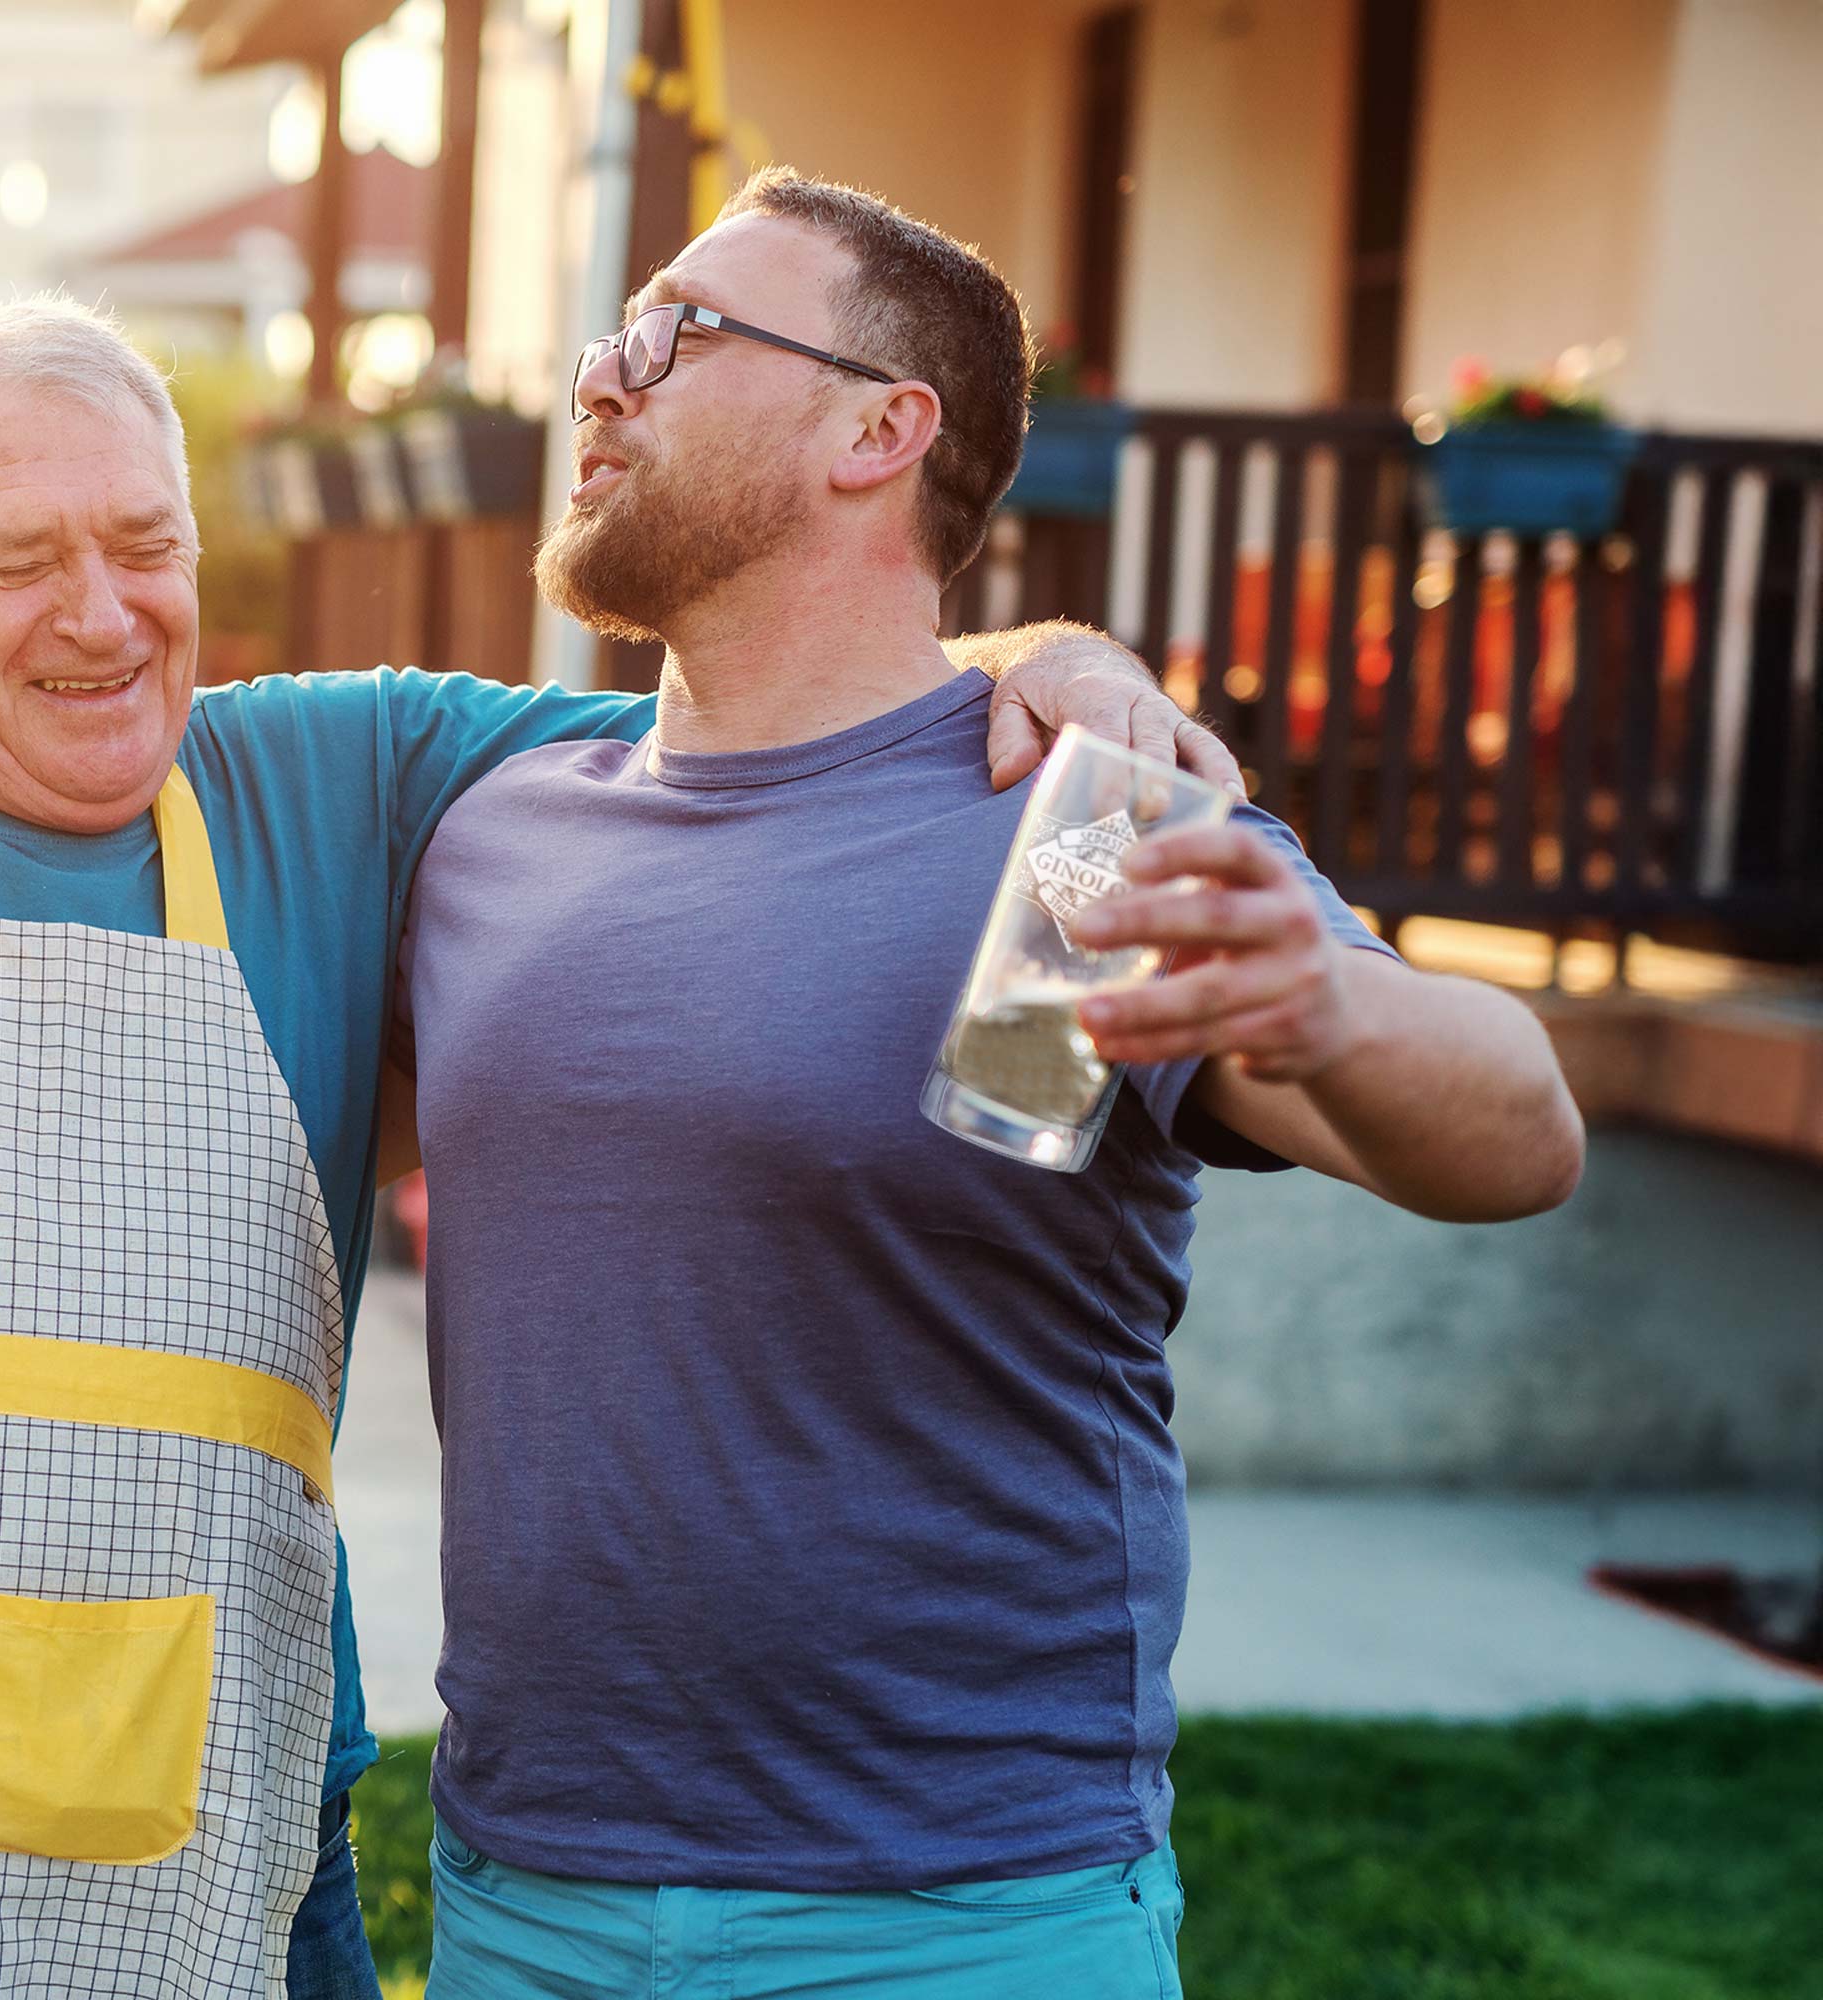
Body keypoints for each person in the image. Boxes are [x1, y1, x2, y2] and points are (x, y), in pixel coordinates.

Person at [0, 269, 1219, 1994]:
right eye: (20, 562)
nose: (104, 618)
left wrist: (1049, 663)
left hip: (232, 1841)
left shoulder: (348, 780)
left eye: (148, 547)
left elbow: (793, 716)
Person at [395, 170, 1586, 1998]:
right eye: (615, 334)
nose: (600, 379)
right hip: (522, 1903)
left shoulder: (1070, 834)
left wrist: (1327, 1012)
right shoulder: (494, 820)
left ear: (884, 428)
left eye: (675, 333)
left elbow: (1523, 1137)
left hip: (958, 1925)